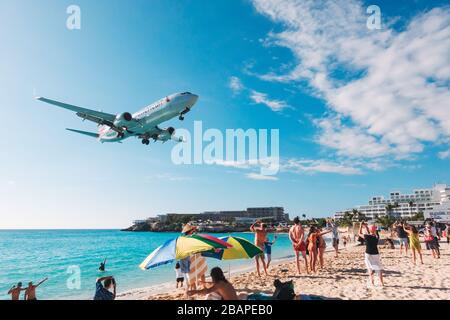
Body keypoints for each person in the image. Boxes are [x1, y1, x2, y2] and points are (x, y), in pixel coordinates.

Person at [183, 223, 208, 289]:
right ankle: (202, 287)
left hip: (193, 256)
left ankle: (196, 288)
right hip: (195, 256)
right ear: (190, 230)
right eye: (193, 229)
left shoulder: (184, 239)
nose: (195, 231)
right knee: (200, 272)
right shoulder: (193, 237)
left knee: (193, 274)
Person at [358, 223, 384, 287]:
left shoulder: (367, 236)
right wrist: (370, 228)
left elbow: (359, 233)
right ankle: (382, 283)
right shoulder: (377, 236)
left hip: (368, 254)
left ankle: (372, 283)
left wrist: (360, 226)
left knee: (370, 268)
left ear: (369, 230)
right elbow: (373, 232)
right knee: (379, 268)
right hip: (376, 253)